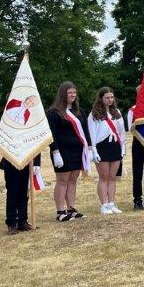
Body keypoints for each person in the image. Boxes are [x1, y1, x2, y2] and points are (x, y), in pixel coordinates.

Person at [47, 82, 90, 221]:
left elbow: (85, 131)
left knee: (73, 180)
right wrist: (55, 151)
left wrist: (89, 149)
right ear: (63, 94)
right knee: (62, 180)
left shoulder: (79, 111)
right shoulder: (54, 112)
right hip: (62, 151)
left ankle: (71, 209)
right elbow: (51, 134)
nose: (72, 95)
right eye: (69, 93)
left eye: (74, 92)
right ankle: (60, 211)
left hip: (77, 151)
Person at [87, 87, 126, 215]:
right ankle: (104, 205)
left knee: (112, 177)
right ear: (101, 98)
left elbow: (121, 132)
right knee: (103, 177)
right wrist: (94, 151)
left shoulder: (117, 112)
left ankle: (111, 203)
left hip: (114, 146)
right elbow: (91, 133)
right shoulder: (94, 114)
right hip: (101, 146)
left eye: (111, 97)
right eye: (107, 97)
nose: (110, 100)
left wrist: (123, 147)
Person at [126, 97, 144, 210]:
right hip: (138, 143)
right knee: (137, 174)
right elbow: (130, 128)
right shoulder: (132, 110)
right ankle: (137, 200)